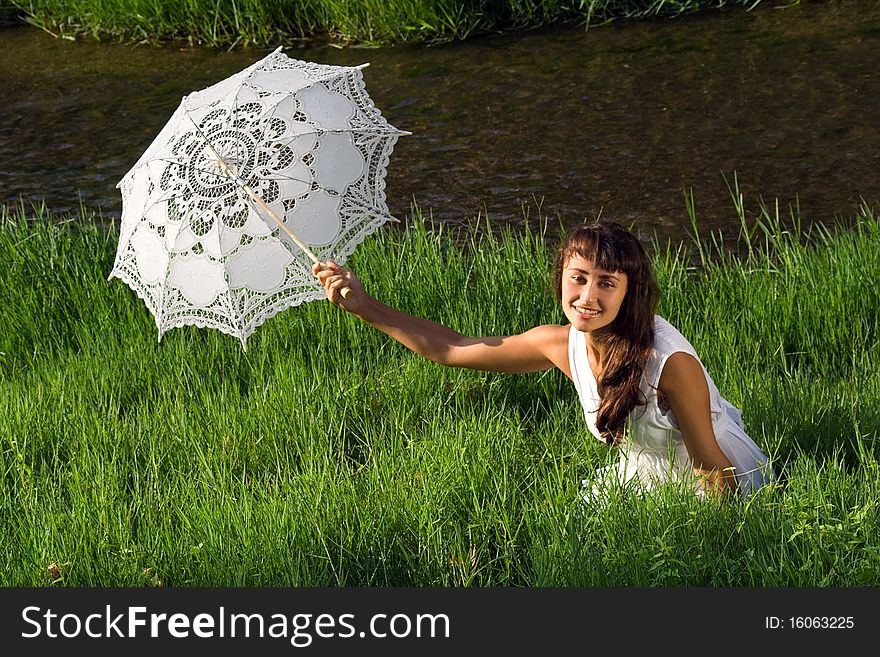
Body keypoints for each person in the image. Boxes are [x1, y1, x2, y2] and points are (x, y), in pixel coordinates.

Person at [312, 221, 774, 501]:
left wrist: (712, 546)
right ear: (561, 278)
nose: (587, 297)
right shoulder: (560, 343)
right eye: (578, 278)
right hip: (648, 471)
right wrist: (364, 306)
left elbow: (714, 472)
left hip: (715, 478)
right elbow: (450, 349)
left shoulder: (668, 363)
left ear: (630, 292)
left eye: (606, 283)